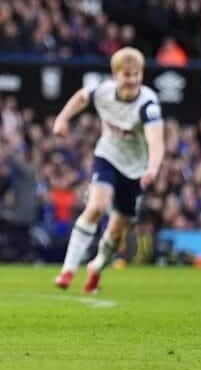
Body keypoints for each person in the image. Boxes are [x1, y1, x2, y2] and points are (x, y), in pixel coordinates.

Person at [53, 47, 165, 293]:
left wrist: (153, 168)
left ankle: (96, 267)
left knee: (116, 232)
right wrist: (62, 119)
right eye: (127, 75)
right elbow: (81, 98)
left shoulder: (148, 105)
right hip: (108, 156)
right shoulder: (103, 92)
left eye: (137, 74)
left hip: (135, 170)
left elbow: (156, 140)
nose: (133, 80)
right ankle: (67, 270)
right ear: (116, 75)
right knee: (96, 206)